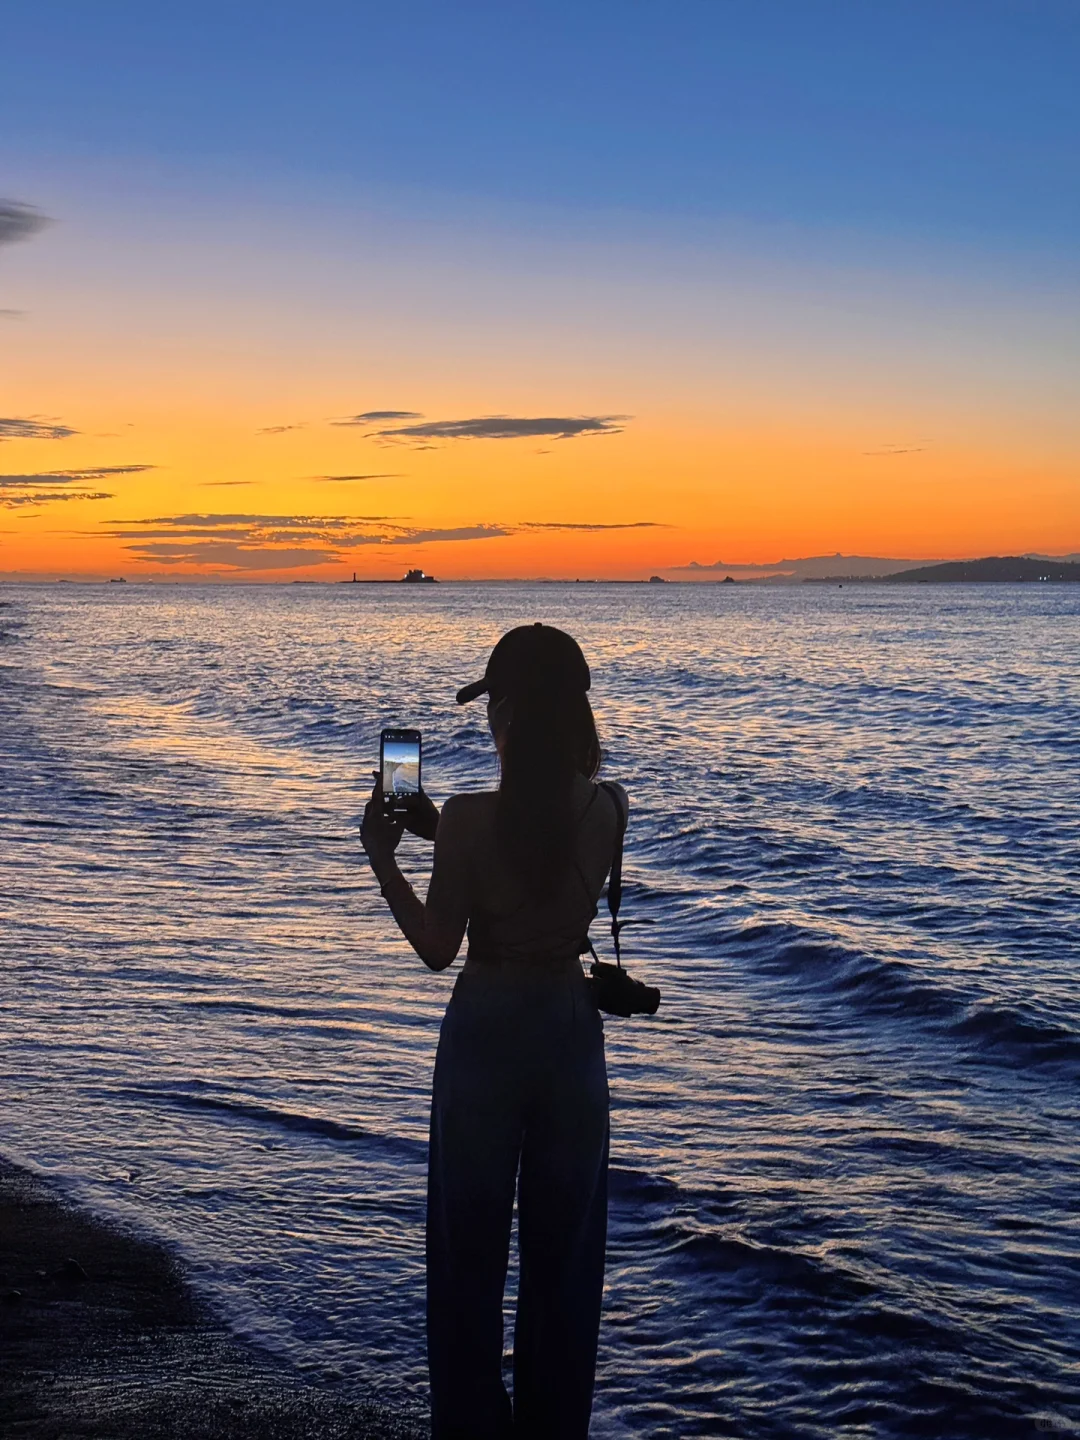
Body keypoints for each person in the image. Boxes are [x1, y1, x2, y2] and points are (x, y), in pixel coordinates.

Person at [361, 623, 627, 1440]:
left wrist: (385, 856)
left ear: (506, 713)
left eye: (492, 707)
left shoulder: (474, 823)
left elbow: (440, 948)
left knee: (467, 1259)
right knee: (565, 1262)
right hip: (568, 1037)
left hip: (485, 1036)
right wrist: (448, 832)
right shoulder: (610, 809)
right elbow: (542, 848)